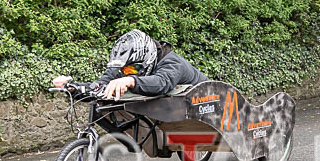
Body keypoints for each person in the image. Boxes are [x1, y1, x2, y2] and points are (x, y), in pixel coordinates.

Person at [52, 29, 208, 100]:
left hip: (206, 98)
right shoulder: (129, 66)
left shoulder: (172, 62)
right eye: (124, 70)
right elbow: (101, 84)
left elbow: (161, 83)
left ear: (147, 58)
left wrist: (130, 80)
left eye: (133, 69)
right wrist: (73, 88)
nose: (128, 72)